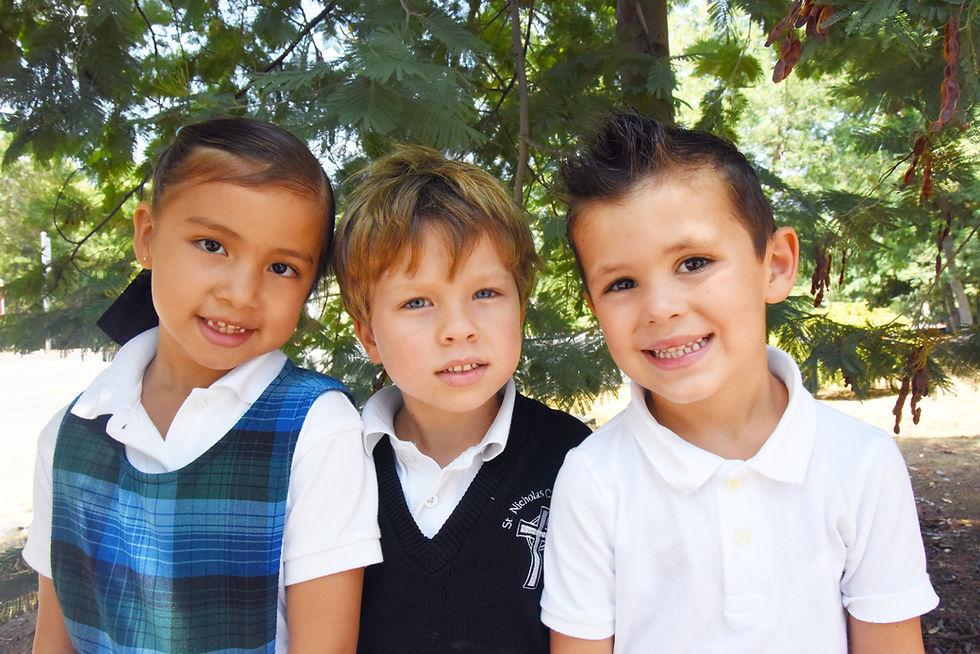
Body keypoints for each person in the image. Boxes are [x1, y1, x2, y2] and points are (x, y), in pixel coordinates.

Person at [540, 111, 939, 653]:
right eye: (622, 282)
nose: (660, 308)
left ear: (775, 264)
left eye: (694, 262)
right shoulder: (593, 479)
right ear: (594, 306)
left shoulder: (861, 463)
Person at [24, 117, 382, 654]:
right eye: (212, 245)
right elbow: (56, 639)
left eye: (282, 267)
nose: (241, 293)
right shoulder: (70, 435)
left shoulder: (316, 429)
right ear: (147, 237)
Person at [332, 144, 591, 653]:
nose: (458, 330)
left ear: (521, 305)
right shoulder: (336, 462)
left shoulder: (574, 458)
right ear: (367, 333)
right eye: (417, 302)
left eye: (486, 293)